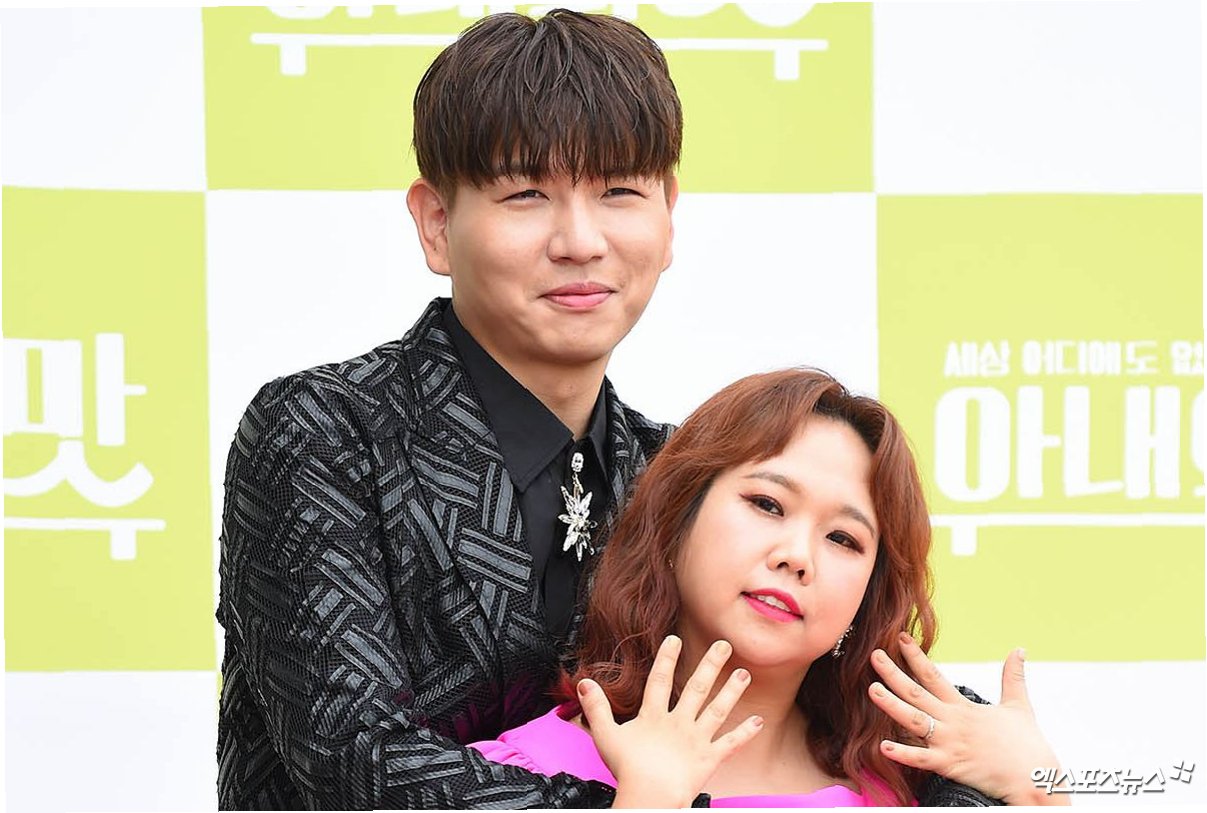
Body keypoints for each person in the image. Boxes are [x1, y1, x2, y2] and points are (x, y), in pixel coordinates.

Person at [215, 9, 680, 809]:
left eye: (619, 191)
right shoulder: (323, 432)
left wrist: (927, 750)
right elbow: (357, 761)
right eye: (527, 193)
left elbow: (793, 711)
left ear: (669, 213)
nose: (580, 240)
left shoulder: (678, 473)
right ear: (437, 223)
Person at [470, 369, 1068, 807]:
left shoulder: (910, 787)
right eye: (767, 504)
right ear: (675, 521)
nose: (797, 557)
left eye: (843, 539)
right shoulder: (514, 774)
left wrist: (1043, 789)